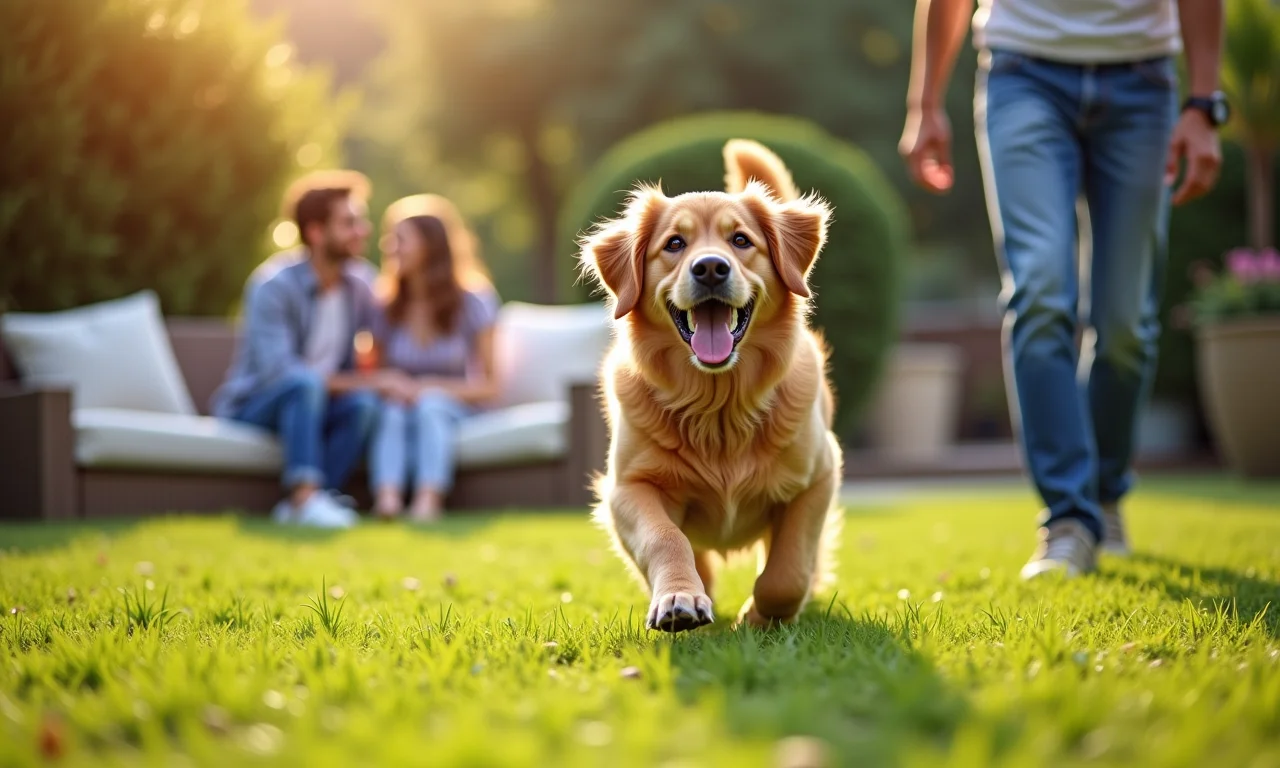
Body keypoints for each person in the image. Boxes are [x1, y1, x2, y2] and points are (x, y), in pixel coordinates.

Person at [899, 0, 1226, 578]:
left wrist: (1203, 103)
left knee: (1126, 323)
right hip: (1023, 74)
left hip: (1142, 82)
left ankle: (1104, 494)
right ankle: (1069, 519)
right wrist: (924, 105)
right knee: (1040, 291)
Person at [211, 170, 387, 527]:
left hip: (318, 404)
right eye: (350, 223)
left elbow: (388, 335)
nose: (363, 231)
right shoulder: (273, 286)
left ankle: (317, 501)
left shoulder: (361, 284)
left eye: (361, 221)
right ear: (316, 232)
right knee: (304, 383)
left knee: (365, 405)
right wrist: (369, 381)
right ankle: (304, 496)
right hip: (258, 405)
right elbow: (280, 373)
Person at [367, 208, 502, 522]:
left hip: (456, 409)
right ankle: (387, 499)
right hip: (402, 408)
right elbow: (377, 375)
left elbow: (489, 386)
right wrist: (397, 388)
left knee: (430, 404)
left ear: (429, 245)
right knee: (391, 411)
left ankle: (428, 500)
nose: (389, 246)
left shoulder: (474, 301)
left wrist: (426, 388)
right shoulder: (385, 306)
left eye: (400, 239)